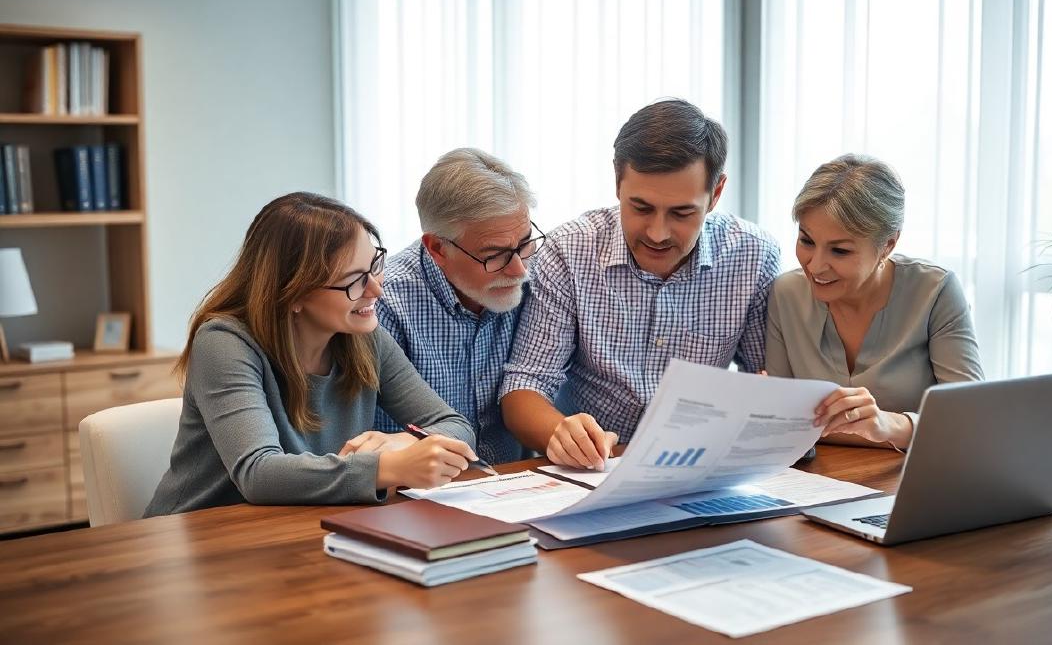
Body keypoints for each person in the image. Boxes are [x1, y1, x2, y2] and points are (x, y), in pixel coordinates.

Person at [145, 192, 479, 517]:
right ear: (293, 294)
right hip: (201, 535)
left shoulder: (365, 338)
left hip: (297, 526)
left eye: (374, 265)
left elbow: (454, 425)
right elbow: (258, 473)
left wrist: (401, 444)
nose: (377, 289)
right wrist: (388, 467)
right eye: (354, 280)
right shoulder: (223, 342)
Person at [501, 99, 781, 469]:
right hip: (594, 467)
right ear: (617, 183)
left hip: (697, 465)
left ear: (715, 194)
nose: (657, 233)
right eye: (641, 208)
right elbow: (524, 387)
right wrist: (561, 433)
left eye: (682, 213)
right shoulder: (569, 250)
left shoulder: (753, 256)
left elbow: (768, 384)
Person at [766, 154, 984, 451]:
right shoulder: (785, 293)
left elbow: (970, 420)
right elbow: (780, 423)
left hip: (909, 481)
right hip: (815, 480)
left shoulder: (935, 291)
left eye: (840, 251)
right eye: (806, 241)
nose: (815, 266)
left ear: (888, 245)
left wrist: (888, 425)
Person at [371, 148, 539, 464]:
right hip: (411, 496)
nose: (519, 269)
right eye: (494, 254)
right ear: (437, 248)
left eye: (525, 243)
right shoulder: (384, 304)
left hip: (514, 485)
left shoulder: (536, 277)